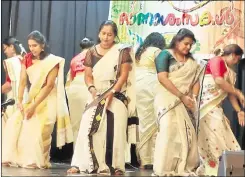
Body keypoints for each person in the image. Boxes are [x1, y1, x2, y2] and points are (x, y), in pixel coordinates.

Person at [67, 20, 137, 175]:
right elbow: (88, 76)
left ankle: (116, 166)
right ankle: (80, 163)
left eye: (110, 34)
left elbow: (124, 75)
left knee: (117, 122)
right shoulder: (91, 52)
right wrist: (92, 89)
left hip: (116, 93)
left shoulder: (121, 51)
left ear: (115, 36)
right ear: (99, 34)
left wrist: (113, 92)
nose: (106, 37)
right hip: (96, 94)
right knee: (87, 122)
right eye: (103, 34)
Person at [2, 30, 73, 169]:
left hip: (47, 99)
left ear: (43, 45)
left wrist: (33, 107)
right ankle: (14, 158)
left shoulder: (53, 61)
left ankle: (39, 160)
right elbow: (22, 82)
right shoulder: (27, 59)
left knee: (40, 129)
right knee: (14, 123)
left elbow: (49, 86)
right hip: (32, 97)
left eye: (35, 45)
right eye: (30, 45)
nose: (32, 49)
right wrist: (20, 101)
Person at [152, 28, 207, 176]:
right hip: (167, 99)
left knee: (186, 134)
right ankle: (164, 168)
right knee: (168, 130)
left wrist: (193, 98)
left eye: (190, 45)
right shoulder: (164, 55)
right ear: (177, 41)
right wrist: (181, 96)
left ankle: (182, 167)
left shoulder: (192, 62)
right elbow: (162, 78)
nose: (188, 47)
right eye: (185, 44)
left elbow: (195, 81)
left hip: (186, 102)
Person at [198, 44, 244, 176]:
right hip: (205, 107)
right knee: (213, 136)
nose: (236, 63)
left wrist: (239, 110)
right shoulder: (217, 60)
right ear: (232, 55)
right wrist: (238, 92)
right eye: (236, 59)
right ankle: (213, 169)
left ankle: (229, 168)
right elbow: (218, 80)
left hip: (215, 108)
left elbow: (229, 93)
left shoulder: (229, 71)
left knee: (224, 134)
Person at [135, 32, 166, 169]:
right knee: (154, 122)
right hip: (151, 85)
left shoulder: (139, 51)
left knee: (141, 122)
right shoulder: (157, 51)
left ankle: (143, 160)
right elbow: (164, 69)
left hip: (136, 85)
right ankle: (153, 159)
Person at [65, 37, 95, 147]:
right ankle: (88, 155)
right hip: (87, 86)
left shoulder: (74, 59)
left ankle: (76, 155)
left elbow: (70, 79)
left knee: (76, 123)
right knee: (90, 122)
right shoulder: (94, 56)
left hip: (74, 88)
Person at [2, 37, 27, 119]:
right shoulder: (25, 59)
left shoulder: (11, 62)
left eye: (5, 48)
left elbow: (9, 85)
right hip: (26, 101)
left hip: (14, 102)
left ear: (12, 47)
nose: (4, 52)